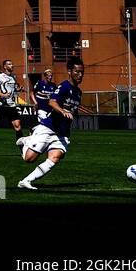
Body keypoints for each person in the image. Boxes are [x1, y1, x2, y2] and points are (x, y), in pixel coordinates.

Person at [18, 58, 85, 191]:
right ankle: (27, 140)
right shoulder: (64, 86)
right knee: (29, 159)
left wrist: (73, 113)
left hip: (63, 132)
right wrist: (62, 111)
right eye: (77, 72)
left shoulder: (78, 92)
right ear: (69, 72)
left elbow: (72, 109)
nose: (80, 75)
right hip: (49, 127)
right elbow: (52, 102)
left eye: (82, 72)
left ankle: (26, 181)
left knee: (55, 157)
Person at [0, 59, 24, 144]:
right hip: (2, 106)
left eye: (12, 64)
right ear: (5, 67)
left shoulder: (13, 77)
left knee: (17, 126)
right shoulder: (0, 76)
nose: (12, 66)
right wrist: (2, 95)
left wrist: (18, 89)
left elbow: (12, 89)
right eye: (10, 64)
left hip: (11, 106)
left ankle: (23, 150)